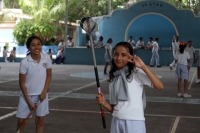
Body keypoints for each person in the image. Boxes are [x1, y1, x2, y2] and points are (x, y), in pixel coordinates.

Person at [96, 42, 163, 133]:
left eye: (123, 55)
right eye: (116, 54)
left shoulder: (136, 72)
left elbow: (159, 86)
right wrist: (104, 103)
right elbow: (115, 109)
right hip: (116, 121)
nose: (119, 58)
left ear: (130, 56)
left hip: (134, 122)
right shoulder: (114, 77)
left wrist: (143, 66)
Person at [16, 36, 52, 133]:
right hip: (26, 96)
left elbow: (49, 76)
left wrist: (44, 92)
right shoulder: (24, 63)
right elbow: (22, 83)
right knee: (21, 121)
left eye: (39, 44)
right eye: (33, 45)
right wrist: (29, 101)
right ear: (28, 48)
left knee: (40, 120)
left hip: (42, 96)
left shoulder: (47, 58)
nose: (36, 47)